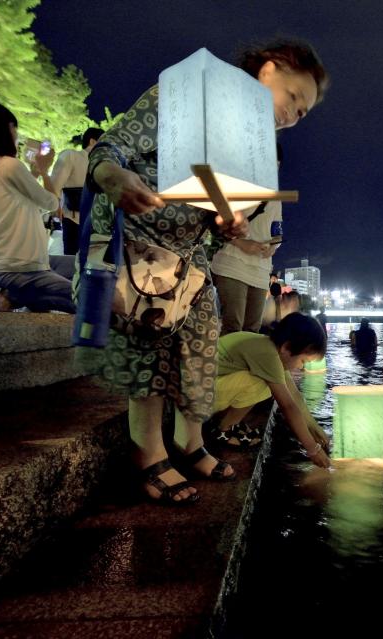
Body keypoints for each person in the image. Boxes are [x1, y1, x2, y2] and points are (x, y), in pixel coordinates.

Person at [86, 38, 329, 505]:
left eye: (304, 112)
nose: (294, 115)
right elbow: (113, 147)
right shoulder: (190, 98)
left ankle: (190, 442)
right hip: (144, 247)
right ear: (268, 71)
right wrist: (114, 178)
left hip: (193, 259)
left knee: (199, 348)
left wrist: (228, 223)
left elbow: (223, 221)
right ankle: (149, 455)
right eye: (294, 97)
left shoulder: (257, 153)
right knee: (150, 351)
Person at [0, 96, 76, 313]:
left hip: (11, 263)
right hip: (22, 267)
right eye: (14, 127)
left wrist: (34, 172)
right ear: (1, 129)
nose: (17, 135)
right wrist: (43, 170)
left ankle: (16, 297)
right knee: (88, 296)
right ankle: (15, 295)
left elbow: (30, 205)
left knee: (83, 268)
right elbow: (51, 202)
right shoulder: (9, 166)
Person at [211, 312, 330, 467]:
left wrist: (314, 427)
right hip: (198, 395)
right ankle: (225, 430)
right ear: (287, 347)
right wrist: (312, 450)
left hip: (205, 388)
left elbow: (295, 395)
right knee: (264, 383)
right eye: (303, 360)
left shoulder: (269, 349)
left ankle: (230, 424)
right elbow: (288, 406)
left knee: (272, 382)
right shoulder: (267, 355)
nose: (301, 367)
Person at [211, 144, 283, 334]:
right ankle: (227, 364)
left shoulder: (275, 198)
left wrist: (272, 248)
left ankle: (241, 365)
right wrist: (242, 243)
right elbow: (215, 222)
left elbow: (278, 232)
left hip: (260, 269)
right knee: (233, 325)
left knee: (252, 328)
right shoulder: (234, 186)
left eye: (275, 165)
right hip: (232, 262)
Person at [45, 126, 103, 255]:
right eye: (103, 140)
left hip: (97, 221)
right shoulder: (72, 156)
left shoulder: (103, 163)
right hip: (73, 218)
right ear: (92, 141)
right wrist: (55, 207)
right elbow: (55, 185)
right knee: (72, 263)